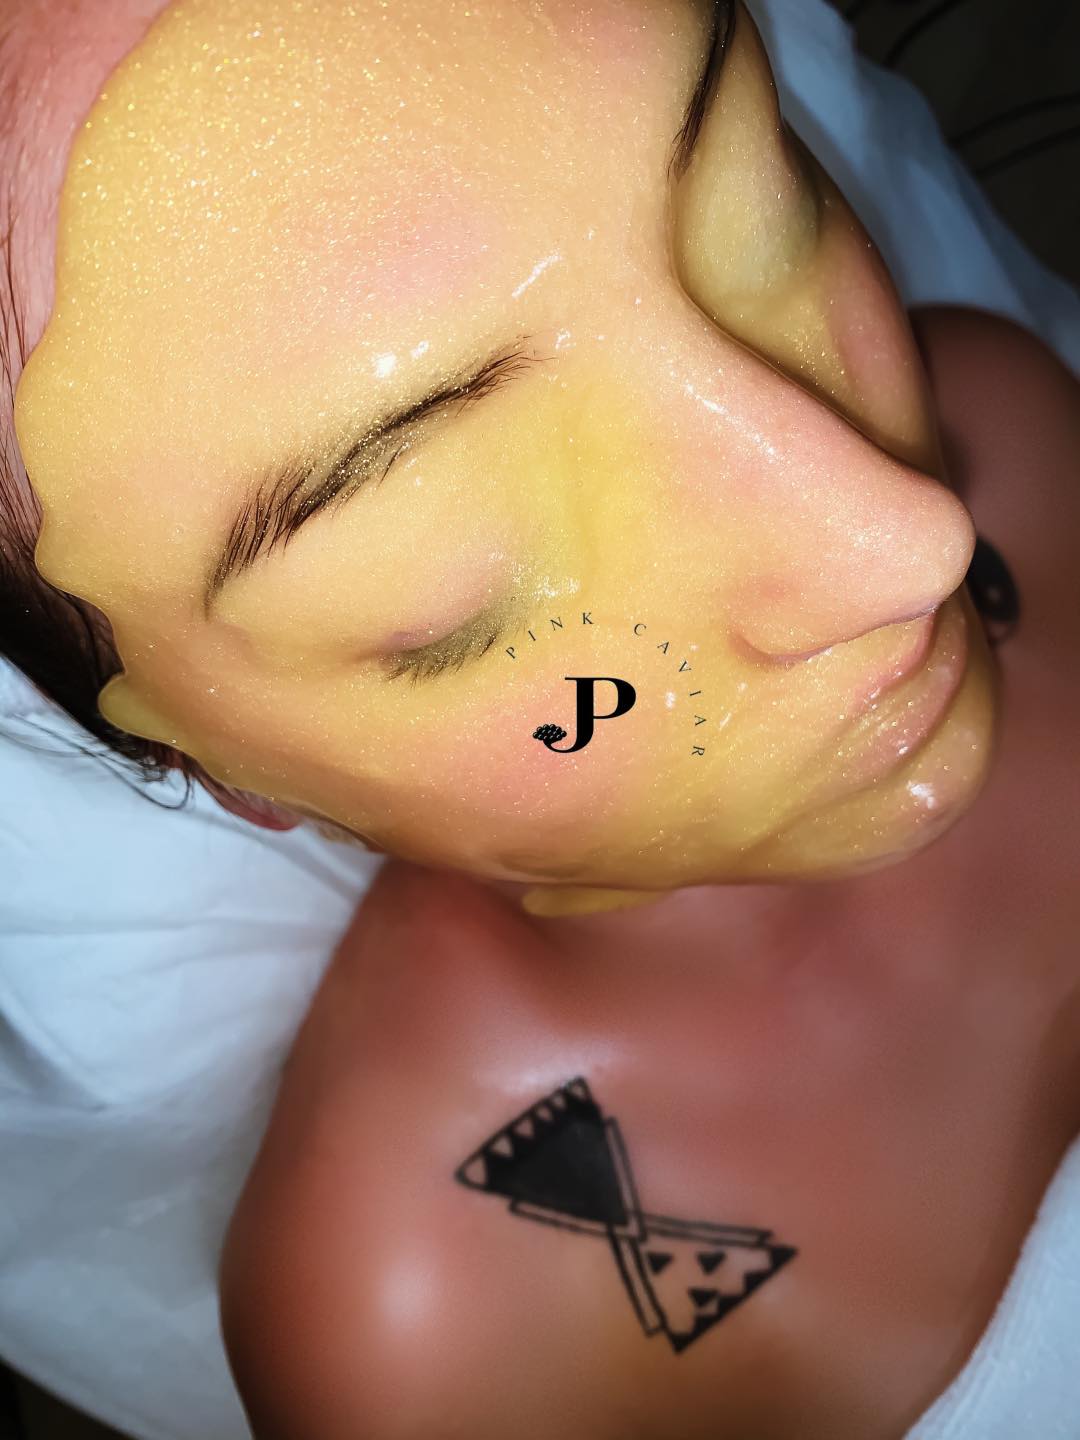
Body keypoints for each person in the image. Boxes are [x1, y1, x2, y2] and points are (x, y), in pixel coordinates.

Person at [1, 0, 1077, 1436]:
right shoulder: (432, 1342)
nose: (908, 539)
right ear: (235, 778)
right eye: (457, 576)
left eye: (754, 210)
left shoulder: (1013, 431)